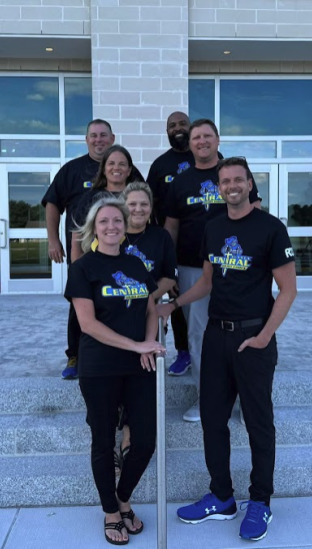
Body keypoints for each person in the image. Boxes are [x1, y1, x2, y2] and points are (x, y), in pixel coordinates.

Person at [158, 157, 296, 541]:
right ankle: (221, 496)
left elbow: (288, 289)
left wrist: (266, 335)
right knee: (212, 419)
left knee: (257, 422)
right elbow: (206, 281)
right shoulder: (214, 227)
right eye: (225, 181)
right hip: (217, 337)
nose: (232, 185)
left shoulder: (271, 228)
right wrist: (175, 304)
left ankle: (261, 502)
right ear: (218, 187)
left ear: (250, 184)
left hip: (253, 338)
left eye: (238, 179)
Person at [65, 197, 165, 545]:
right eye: (104, 221)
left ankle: (123, 498)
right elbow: (88, 325)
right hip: (100, 368)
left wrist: (149, 343)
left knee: (146, 442)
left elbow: (151, 309)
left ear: (125, 228)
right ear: (95, 228)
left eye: (117, 222)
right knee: (104, 441)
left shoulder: (135, 264)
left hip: (139, 366)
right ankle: (111, 511)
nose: (112, 227)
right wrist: (136, 345)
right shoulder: (84, 268)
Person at [162, 118, 260, 422]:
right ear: (189, 144)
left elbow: (254, 216)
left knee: (244, 331)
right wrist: (170, 272)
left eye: (207, 136)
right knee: (199, 336)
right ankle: (208, 399)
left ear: (217, 140)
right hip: (192, 268)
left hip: (237, 267)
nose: (201, 141)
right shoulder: (181, 181)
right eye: (196, 137)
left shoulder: (233, 174)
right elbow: (171, 228)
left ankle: (247, 400)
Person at [41, 121, 143, 379]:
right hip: (88, 258)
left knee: (121, 304)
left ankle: (131, 350)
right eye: (94, 136)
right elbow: (54, 204)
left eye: (104, 136)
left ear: (112, 138)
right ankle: (75, 355)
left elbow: (146, 210)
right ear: (86, 139)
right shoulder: (73, 171)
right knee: (82, 306)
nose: (99, 140)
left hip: (129, 261)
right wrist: (55, 241)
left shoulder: (134, 179)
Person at [116, 181, 178, 467]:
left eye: (144, 204)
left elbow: (169, 277)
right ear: (123, 206)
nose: (138, 209)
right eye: (132, 204)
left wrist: (146, 298)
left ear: (151, 208)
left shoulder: (160, 237)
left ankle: (131, 432)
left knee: (142, 373)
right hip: (114, 314)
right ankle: (118, 427)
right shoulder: (111, 233)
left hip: (148, 312)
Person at [146, 111, 195, 377]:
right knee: (177, 303)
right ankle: (184, 352)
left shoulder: (210, 159)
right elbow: (149, 205)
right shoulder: (160, 165)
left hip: (208, 251)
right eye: (171, 125)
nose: (177, 128)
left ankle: (210, 354)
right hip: (174, 247)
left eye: (182, 124)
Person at [70, 145, 140, 263]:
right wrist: (76, 268)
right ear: (103, 169)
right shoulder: (90, 198)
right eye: (111, 163)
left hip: (132, 262)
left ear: (129, 171)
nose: (116, 168)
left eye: (122, 164)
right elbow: (77, 236)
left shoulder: (138, 197)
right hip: (97, 265)